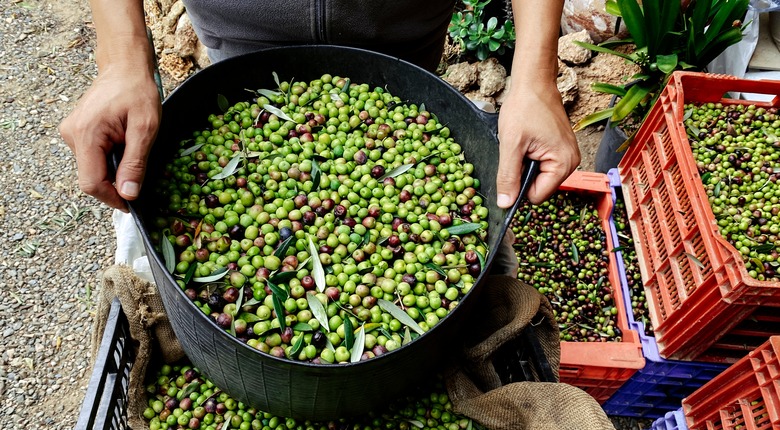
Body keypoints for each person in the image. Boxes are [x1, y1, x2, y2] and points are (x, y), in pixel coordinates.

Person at [59, 0, 579, 214]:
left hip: (403, 40)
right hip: (240, 36)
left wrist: (535, 76)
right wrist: (121, 58)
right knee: (241, 109)